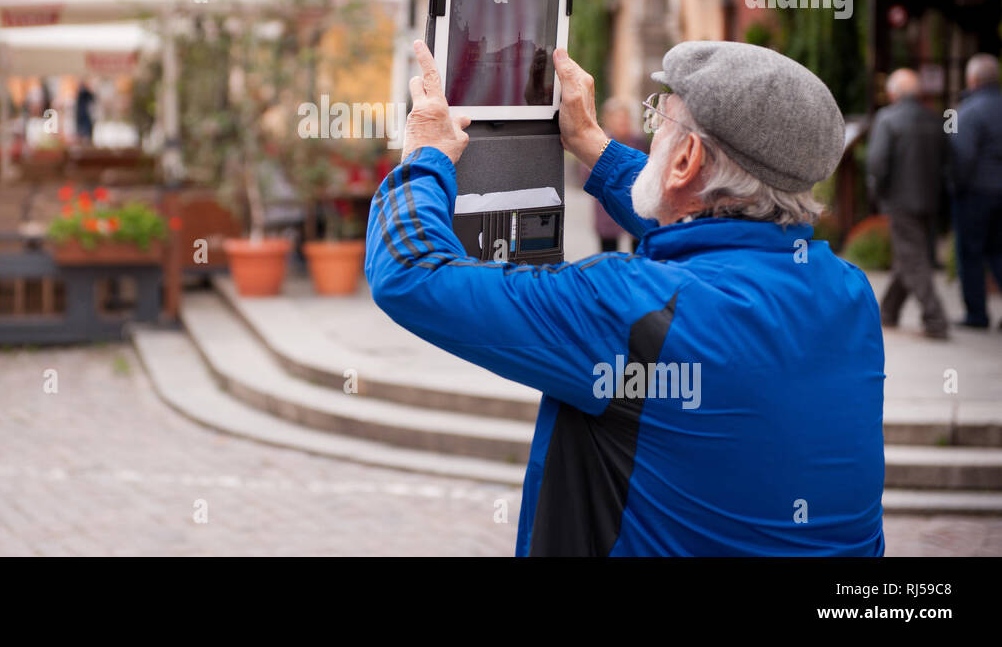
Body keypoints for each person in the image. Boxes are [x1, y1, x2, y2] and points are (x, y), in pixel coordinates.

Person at [366, 39, 883, 556]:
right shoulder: (849, 292)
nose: (652, 131)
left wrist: (425, 157)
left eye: (660, 122)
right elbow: (717, 234)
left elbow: (411, 273)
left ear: (686, 159)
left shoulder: (631, 307)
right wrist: (592, 143)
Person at [865, 69, 949, 339]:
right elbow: (948, 163)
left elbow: (877, 162)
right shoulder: (935, 120)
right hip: (930, 200)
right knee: (909, 256)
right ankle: (888, 312)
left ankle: (935, 318)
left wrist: (877, 194)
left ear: (893, 94)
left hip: (901, 200)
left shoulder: (888, 119)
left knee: (913, 260)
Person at [951, 52, 1002, 329]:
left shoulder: (969, 112)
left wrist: (955, 188)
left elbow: (962, 158)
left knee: (971, 254)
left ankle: (977, 314)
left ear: (972, 80)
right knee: (998, 252)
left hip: (976, 194)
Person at [579, 98, 647, 253]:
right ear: (609, 119)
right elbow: (586, 174)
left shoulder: (638, 141)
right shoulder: (599, 142)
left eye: (626, 118)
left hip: (635, 208)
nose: (624, 122)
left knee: (638, 253)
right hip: (607, 209)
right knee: (609, 253)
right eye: (619, 118)